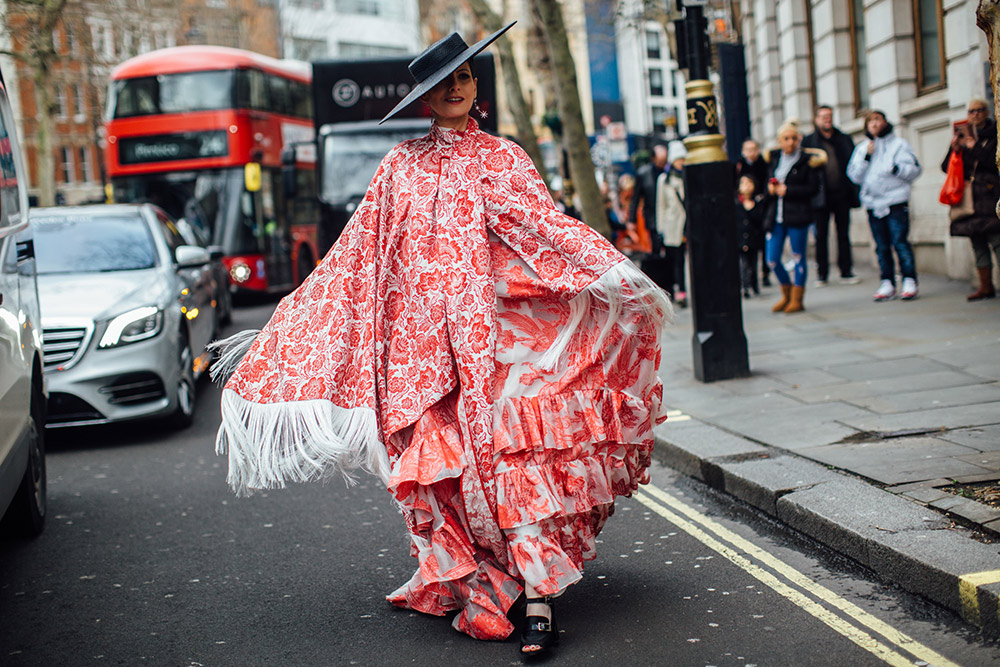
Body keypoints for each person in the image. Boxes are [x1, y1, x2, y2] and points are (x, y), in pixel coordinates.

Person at [209, 24, 670, 658]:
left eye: (463, 77)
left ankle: (539, 600)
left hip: (504, 348)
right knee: (448, 475)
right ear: (424, 98)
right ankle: (477, 576)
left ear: (475, 86)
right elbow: (360, 257)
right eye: (440, 83)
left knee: (516, 465)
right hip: (426, 355)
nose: (454, 89)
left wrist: (611, 274)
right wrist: (295, 327)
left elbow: (546, 234)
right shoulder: (399, 166)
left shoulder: (505, 157)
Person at [847, 110, 922, 301]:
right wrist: (867, 158)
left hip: (896, 202)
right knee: (881, 246)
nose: (873, 124)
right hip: (873, 204)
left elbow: (914, 170)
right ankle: (887, 282)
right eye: (870, 121)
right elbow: (854, 176)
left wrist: (896, 169)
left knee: (900, 242)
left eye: (877, 119)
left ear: (885, 122)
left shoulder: (899, 145)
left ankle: (909, 280)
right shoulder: (862, 148)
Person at [942, 98, 1000, 301]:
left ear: (986, 112)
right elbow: (945, 168)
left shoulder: (995, 134)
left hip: (990, 195)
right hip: (969, 199)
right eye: (971, 111)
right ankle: (985, 287)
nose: (974, 114)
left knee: (997, 241)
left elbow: (993, 163)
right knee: (978, 244)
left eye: (979, 110)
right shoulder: (962, 135)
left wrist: (974, 146)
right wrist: (955, 150)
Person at [764, 120, 824, 313]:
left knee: (798, 256)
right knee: (772, 258)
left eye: (794, 138)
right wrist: (771, 189)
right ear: (780, 140)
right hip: (776, 216)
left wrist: (788, 190)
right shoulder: (774, 159)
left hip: (797, 215)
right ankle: (786, 293)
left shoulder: (807, 161)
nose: (790, 142)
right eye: (786, 138)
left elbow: (813, 188)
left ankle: (797, 298)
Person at [801, 105, 861, 286]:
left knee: (843, 234)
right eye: (823, 116)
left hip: (841, 194)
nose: (827, 119)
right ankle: (822, 273)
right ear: (816, 119)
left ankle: (846, 271)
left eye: (829, 116)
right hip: (820, 196)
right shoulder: (809, 142)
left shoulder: (843, 139)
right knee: (821, 236)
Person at [628, 143, 687, 304]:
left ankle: (676, 287)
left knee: (674, 256)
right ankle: (664, 287)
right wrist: (631, 220)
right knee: (658, 255)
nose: (662, 163)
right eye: (660, 160)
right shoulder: (644, 174)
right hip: (654, 220)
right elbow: (636, 198)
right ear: (653, 159)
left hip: (671, 220)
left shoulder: (669, 175)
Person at [652, 140, 688, 305]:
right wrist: (661, 228)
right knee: (674, 259)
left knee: (683, 258)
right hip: (672, 225)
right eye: (678, 159)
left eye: (683, 159)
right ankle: (677, 289)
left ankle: (683, 289)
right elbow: (661, 205)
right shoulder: (664, 180)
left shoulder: (687, 177)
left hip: (686, 225)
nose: (680, 163)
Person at [736, 138, 771, 287]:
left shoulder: (763, 165)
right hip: (745, 207)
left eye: (753, 149)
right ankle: (748, 279)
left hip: (760, 206)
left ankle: (764, 273)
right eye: (748, 149)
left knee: (762, 245)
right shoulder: (739, 166)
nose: (751, 152)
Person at [737, 175, 766, 298]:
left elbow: (759, 220)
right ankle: (745, 286)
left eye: (749, 182)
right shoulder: (736, 203)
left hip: (753, 238)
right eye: (743, 183)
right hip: (740, 239)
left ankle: (754, 285)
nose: (746, 186)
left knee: (754, 264)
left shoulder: (757, 202)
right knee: (743, 264)